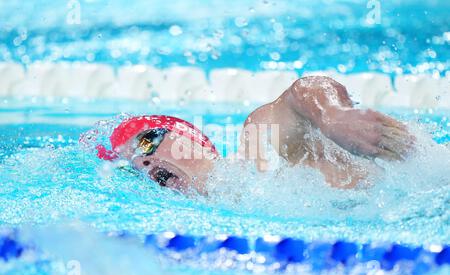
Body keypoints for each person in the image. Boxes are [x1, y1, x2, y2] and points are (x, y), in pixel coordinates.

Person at [94, 76, 415, 195]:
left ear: (188, 136)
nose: (144, 161)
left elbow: (302, 93)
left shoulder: (256, 143)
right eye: (133, 167)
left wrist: (334, 116)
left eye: (146, 142)